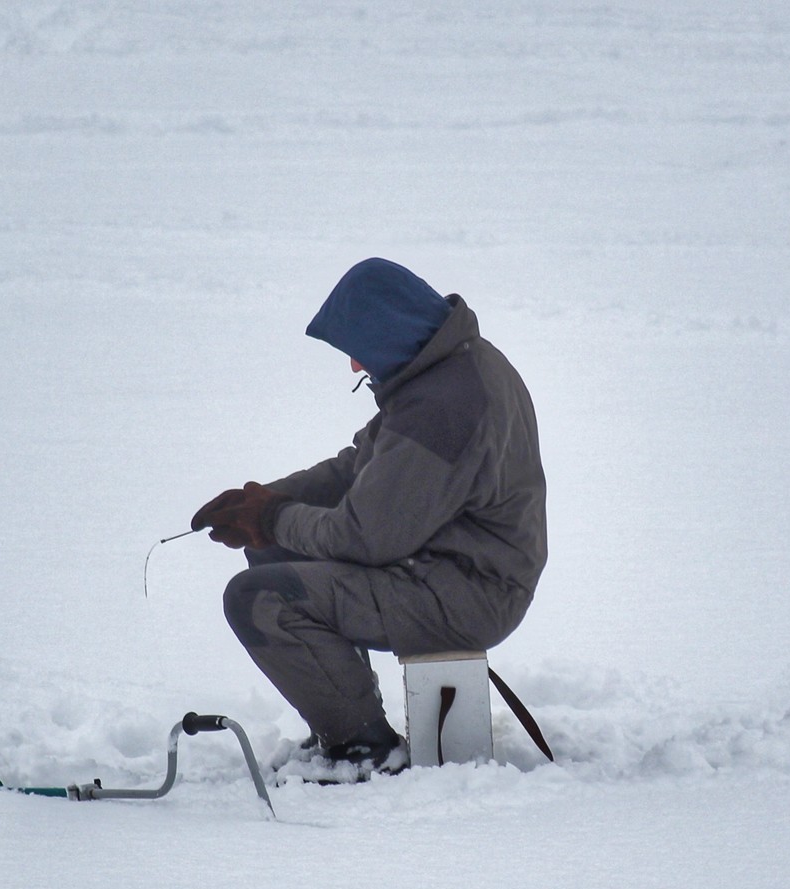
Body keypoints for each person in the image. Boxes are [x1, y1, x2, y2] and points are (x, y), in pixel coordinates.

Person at [191, 258, 547, 774]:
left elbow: (364, 537)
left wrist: (271, 517)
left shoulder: (445, 406)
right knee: (272, 548)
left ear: (388, 333)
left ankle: (365, 749)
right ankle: (345, 715)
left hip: (472, 591)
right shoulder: (452, 365)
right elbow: (360, 467)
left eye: (358, 350)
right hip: (451, 566)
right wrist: (264, 500)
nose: (356, 366)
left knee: (260, 599)